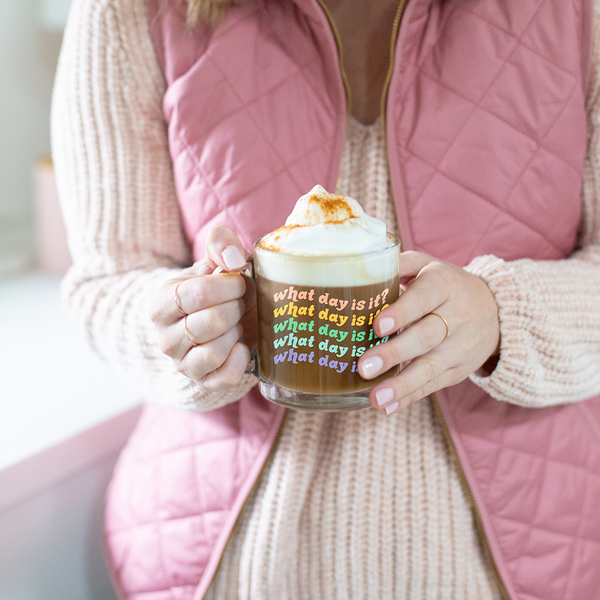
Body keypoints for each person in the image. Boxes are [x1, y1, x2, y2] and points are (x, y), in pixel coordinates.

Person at [51, 0, 600, 598]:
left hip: (528, 548)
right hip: (220, 556)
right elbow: (108, 278)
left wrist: (501, 316)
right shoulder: (130, 11)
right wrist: (181, 328)